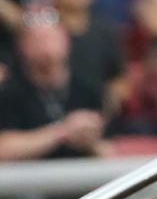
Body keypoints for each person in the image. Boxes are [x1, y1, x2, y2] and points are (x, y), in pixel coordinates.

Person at [0, 16, 106, 160]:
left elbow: (112, 145)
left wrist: (90, 140)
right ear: (22, 46)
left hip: (84, 175)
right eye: (38, 41)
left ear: (67, 42)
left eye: (52, 39)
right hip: (27, 178)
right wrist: (63, 131)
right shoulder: (8, 92)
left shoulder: (87, 87)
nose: (46, 48)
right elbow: (4, 149)